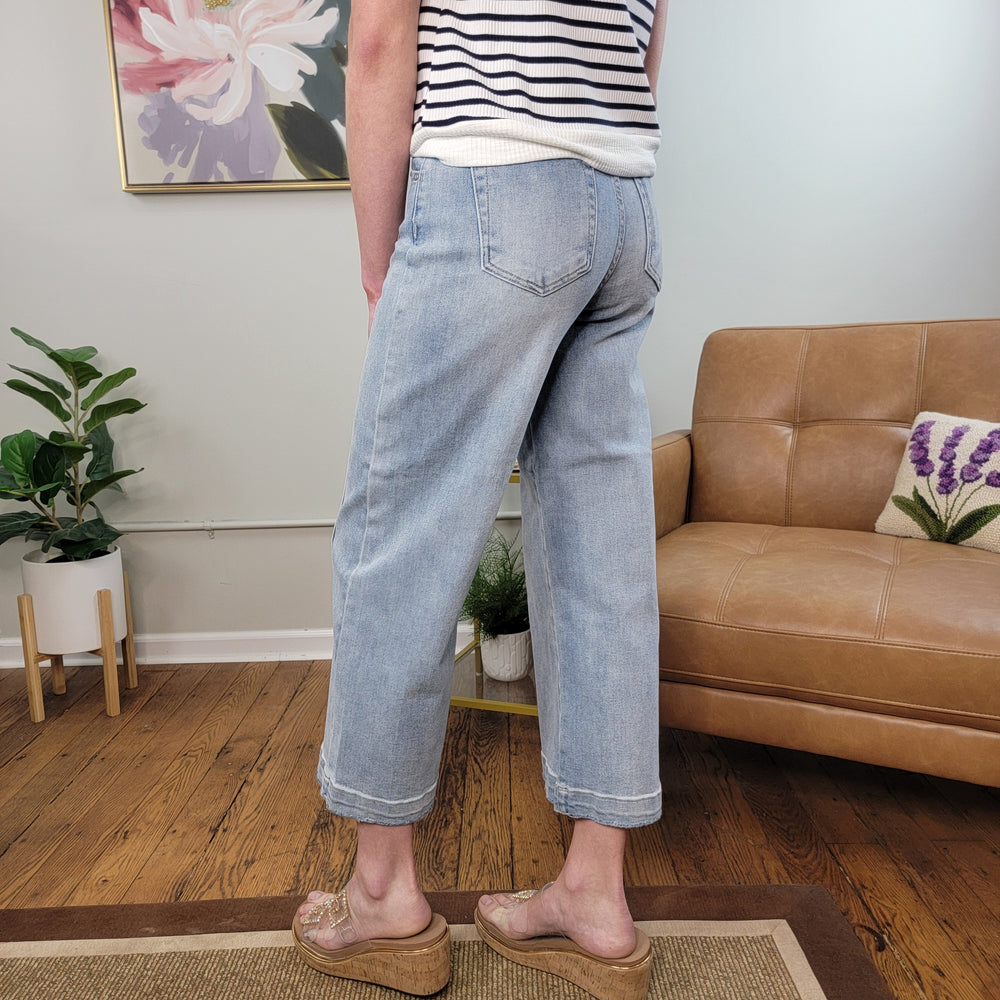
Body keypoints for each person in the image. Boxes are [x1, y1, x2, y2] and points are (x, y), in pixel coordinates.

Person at [292, 2, 669, 998]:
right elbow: (645, 48)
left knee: (398, 538)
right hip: (624, 210)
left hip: (489, 187)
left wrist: (381, 268)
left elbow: (375, 44)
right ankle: (594, 894)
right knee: (604, 557)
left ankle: (380, 896)